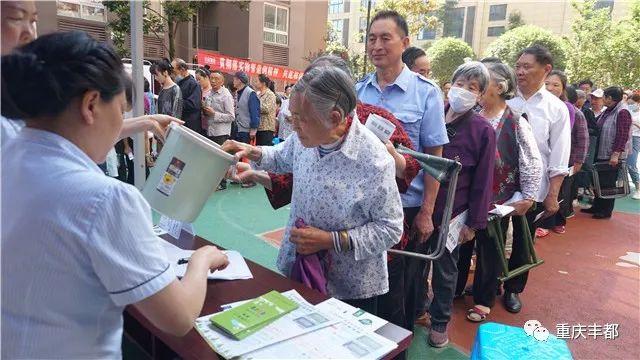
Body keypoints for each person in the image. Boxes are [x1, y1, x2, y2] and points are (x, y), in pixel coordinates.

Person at [1, 31, 229, 359]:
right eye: (122, 110)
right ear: (91, 103)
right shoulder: (104, 199)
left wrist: (145, 122)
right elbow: (178, 318)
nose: (122, 121)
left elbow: (75, 134)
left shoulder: (8, 156)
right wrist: (201, 260)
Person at [223, 66, 404, 314]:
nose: (293, 126)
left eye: (301, 119)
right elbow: (282, 155)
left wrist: (331, 240)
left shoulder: (374, 161)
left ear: (335, 117)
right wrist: (251, 151)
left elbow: (390, 228)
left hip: (350, 287)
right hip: (300, 266)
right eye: (291, 117)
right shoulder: (306, 136)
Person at [355, 10, 448, 338]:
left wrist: (427, 211)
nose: (376, 46)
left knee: (400, 297)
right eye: (371, 39)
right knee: (362, 295)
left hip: (406, 210)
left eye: (385, 38)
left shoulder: (426, 93)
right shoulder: (358, 90)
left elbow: (436, 158)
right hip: (362, 210)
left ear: (404, 42)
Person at [456, 61, 542, 323]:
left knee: (491, 248)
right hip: (466, 196)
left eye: (485, 80)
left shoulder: (515, 122)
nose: (478, 86)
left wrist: (528, 196)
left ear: (501, 86)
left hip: (498, 200)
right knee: (460, 245)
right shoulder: (470, 115)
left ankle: (484, 298)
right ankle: (455, 288)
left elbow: (531, 161)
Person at [422, 61, 496, 347]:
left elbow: (483, 180)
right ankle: (418, 307)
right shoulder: (435, 114)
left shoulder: (482, 130)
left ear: (480, 96)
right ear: (450, 85)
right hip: (423, 204)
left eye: (473, 88)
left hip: (454, 212)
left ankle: (439, 321)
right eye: (460, 84)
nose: (464, 91)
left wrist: (474, 223)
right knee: (415, 262)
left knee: (444, 268)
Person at [505, 45, 571, 313]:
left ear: (545, 70)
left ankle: (513, 289)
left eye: (526, 66)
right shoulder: (506, 99)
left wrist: (553, 193)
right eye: (518, 66)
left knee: (522, 239)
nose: (519, 71)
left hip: (534, 188)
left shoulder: (556, 109)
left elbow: (559, 154)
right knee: (490, 237)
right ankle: (487, 284)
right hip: (500, 184)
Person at [539, 73, 589, 235]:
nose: (550, 88)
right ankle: (546, 221)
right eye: (547, 84)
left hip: (563, 159)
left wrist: (578, 161)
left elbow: (581, 139)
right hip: (543, 159)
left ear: (563, 88)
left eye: (556, 85)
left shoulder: (568, 109)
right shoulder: (538, 105)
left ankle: (557, 221)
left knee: (560, 191)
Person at [582, 86, 632, 219]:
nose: (602, 99)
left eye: (604, 96)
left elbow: (623, 135)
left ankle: (605, 210)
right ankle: (597, 206)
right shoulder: (609, 110)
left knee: (607, 182)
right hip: (601, 151)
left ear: (609, 98)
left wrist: (615, 154)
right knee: (599, 181)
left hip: (610, 153)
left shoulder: (622, 111)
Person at [204, 69, 235, 191]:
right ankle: (214, 181)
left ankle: (222, 183)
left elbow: (231, 116)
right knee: (213, 158)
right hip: (211, 130)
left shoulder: (226, 95)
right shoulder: (210, 93)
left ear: (222, 81)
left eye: (216, 79)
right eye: (211, 78)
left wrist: (214, 114)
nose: (213, 81)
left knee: (220, 159)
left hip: (221, 132)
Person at [172, 58, 202, 133]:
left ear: (182, 70)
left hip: (189, 125)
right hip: (180, 122)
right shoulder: (179, 83)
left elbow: (194, 104)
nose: (173, 75)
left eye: (174, 72)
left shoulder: (194, 84)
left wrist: (176, 101)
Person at [233, 71, 260, 145]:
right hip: (237, 128)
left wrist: (254, 129)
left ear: (239, 80)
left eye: (234, 79)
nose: (233, 81)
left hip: (246, 130)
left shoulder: (250, 93)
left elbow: (255, 112)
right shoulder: (237, 92)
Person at [255, 73, 277, 146]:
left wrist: (255, 104)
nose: (255, 83)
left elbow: (266, 109)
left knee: (264, 151)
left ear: (263, 83)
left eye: (257, 81)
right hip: (259, 127)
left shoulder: (270, 94)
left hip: (267, 128)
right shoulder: (258, 94)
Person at [627, 93, 640, 199]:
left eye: (632, 103)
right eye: (629, 103)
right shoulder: (628, 111)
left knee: (631, 163)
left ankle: (638, 188)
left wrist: (635, 123)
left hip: (636, 138)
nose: (630, 105)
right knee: (621, 163)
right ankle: (621, 185)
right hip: (627, 137)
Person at [196, 68, 212, 134]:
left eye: (199, 79)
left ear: (206, 77)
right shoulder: (198, 90)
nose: (198, 82)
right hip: (199, 124)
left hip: (209, 126)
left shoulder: (212, 92)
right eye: (196, 80)